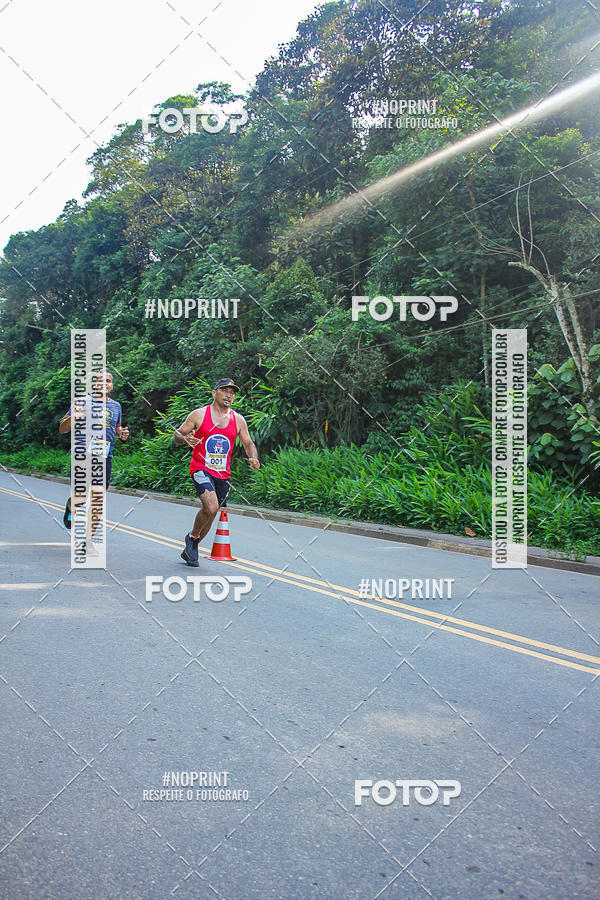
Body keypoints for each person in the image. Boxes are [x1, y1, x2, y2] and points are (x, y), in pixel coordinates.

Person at [173, 378, 260, 566]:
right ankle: (193, 539)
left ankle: (193, 542)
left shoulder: (238, 420)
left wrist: (253, 456)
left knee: (212, 514)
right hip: (201, 468)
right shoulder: (199, 414)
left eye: (232, 392)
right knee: (211, 506)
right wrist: (185, 439)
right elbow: (177, 435)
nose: (229, 395)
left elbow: (248, 443)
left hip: (223, 474)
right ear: (214, 393)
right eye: (224, 390)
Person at [59, 370, 129, 535]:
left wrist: (122, 434)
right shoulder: (82, 402)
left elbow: (117, 429)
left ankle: (88, 540)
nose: (105, 383)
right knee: (80, 498)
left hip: (104, 456)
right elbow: (62, 429)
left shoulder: (116, 406)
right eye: (100, 380)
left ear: (112, 386)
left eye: (109, 380)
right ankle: (70, 507)